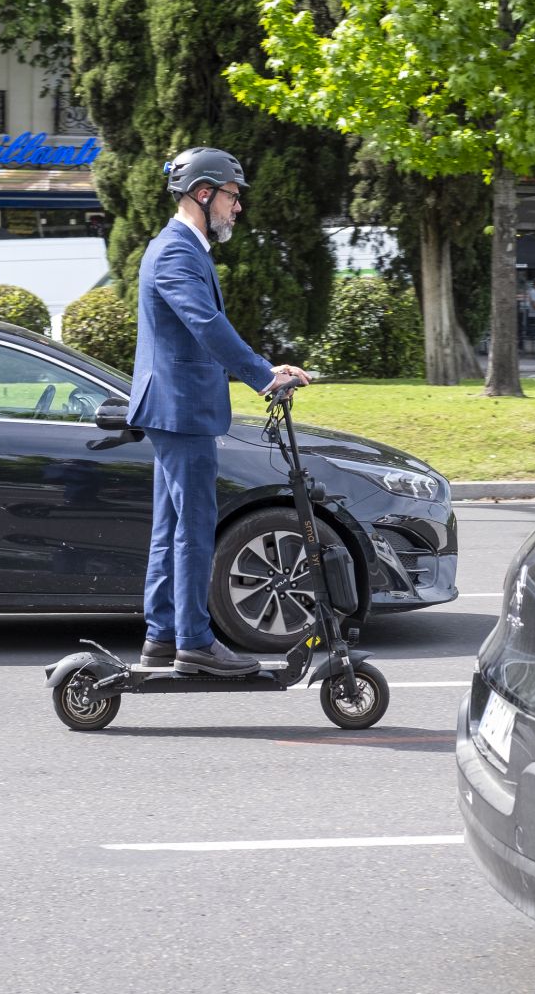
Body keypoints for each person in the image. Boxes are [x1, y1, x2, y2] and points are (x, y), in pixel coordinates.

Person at [128, 147, 309, 677]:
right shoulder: (177, 252)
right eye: (232, 196)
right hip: (181, 411)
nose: (237, 208)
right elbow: (205, 325)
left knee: (172, 527)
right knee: (194, 528)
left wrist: (262, 366)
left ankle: (162, 635)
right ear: (203, 194)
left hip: (175, 409)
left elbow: (202, 328)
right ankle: (194, 642)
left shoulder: (185, 248)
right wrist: (262, 376)